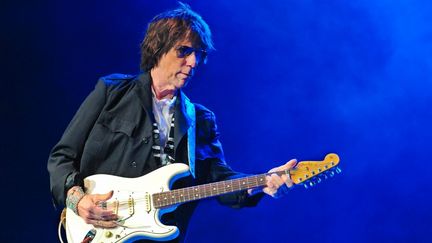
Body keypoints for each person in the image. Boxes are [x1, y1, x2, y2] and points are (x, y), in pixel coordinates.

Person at [47, 3, 296, 242]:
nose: (193, 62)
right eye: (184, 51)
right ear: (158, 48)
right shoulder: (111, 92)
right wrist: (77, 200)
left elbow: (219, 180)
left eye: (199, 55)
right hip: (100, 230)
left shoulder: (200, 119)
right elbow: (62, 157)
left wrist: (261, 182)